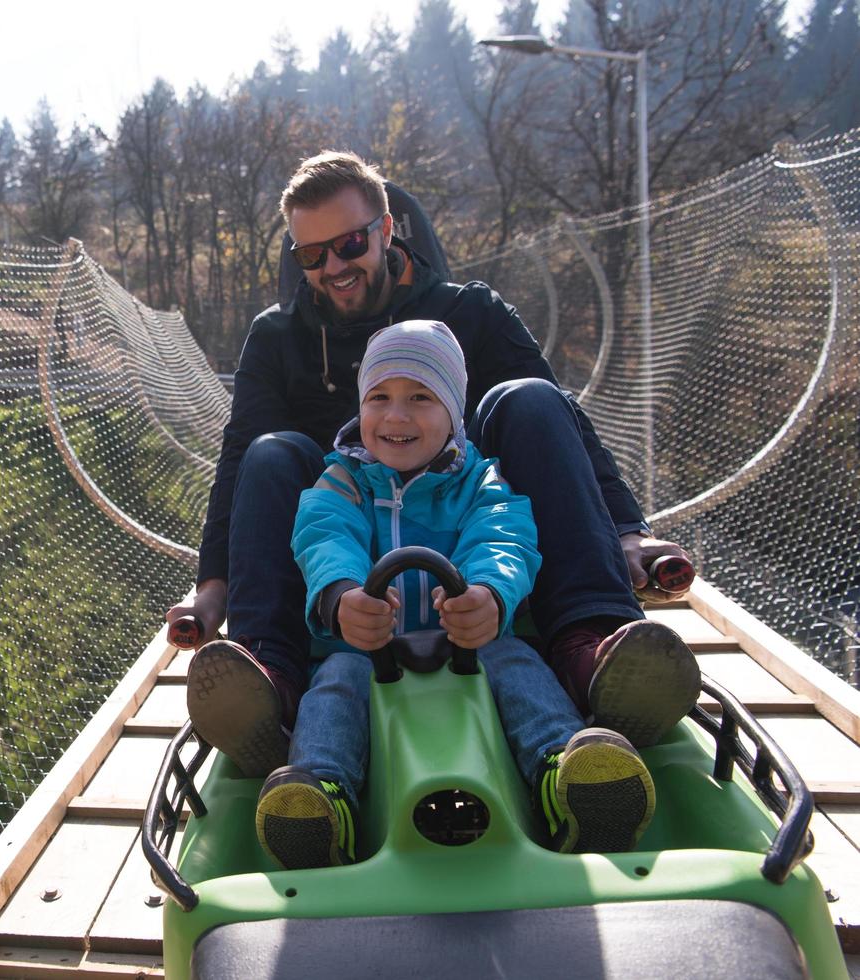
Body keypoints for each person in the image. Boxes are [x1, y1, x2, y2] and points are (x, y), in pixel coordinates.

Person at [170, 150, 699, 778]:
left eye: (348, 244)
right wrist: (212, 588)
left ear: (387, 230)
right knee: (269, 450)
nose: (333, 267)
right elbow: (238, 467)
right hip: (339, 545)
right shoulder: (279, 338)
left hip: (468, 533)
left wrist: (627, 530)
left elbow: (564, 426)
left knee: (529, 398)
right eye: (310, 255)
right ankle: (271, 679)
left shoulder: (471, 312)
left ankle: (594, 647)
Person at [254, 319, 654, 869]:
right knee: (335, 687)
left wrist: (490, 594)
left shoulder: (480, 481)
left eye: (421, 396)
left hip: (469, 640)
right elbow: (323, 534)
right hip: (369, 646)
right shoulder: (343, 479)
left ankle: (566, 770)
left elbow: (503, 536)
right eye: (379, 397)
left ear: (453, 414)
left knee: (518, 666)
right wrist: (341, 596)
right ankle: (320, 797)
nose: (396, 416)